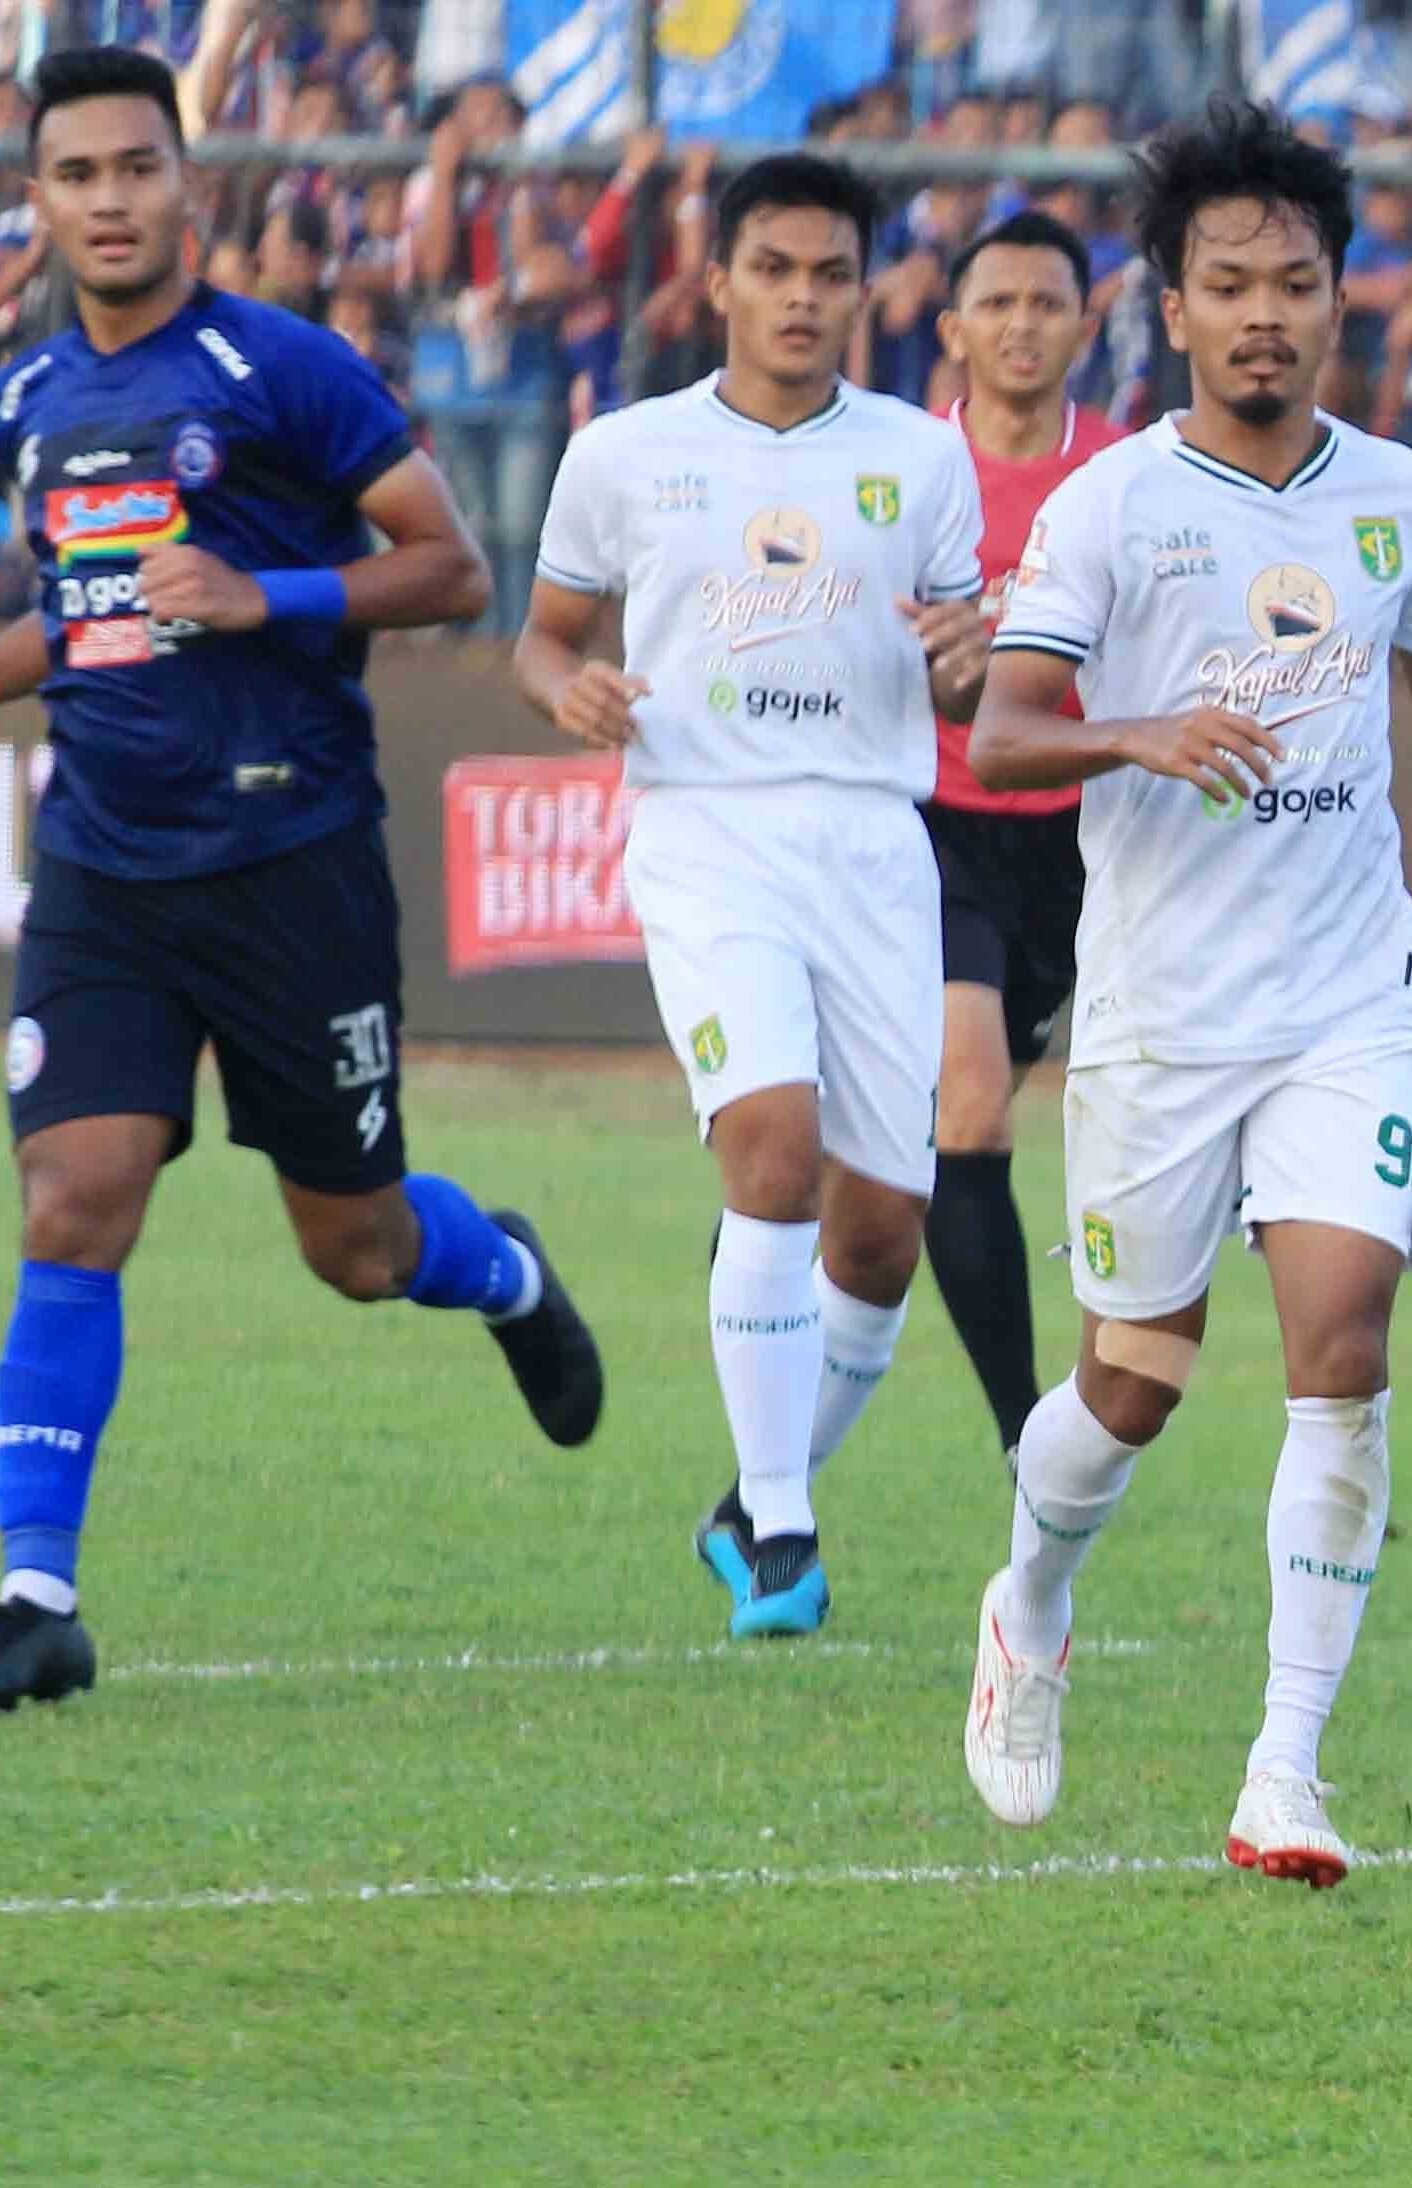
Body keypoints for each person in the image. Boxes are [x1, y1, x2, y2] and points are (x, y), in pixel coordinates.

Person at [961, 102, 1412, 1889]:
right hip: (1159, 1014)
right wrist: (1138, 730)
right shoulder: (1111, 506)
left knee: (1344, 1349)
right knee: (1133, 1382)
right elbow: (1003, 733)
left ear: (1338, 299)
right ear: (1173, 309)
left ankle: (1285, 1771)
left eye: (1294, 282)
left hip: (1343, 1000)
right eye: (1229, 285)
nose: (1264, 314)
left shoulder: (1402, 496)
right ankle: (1029, 1601)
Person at [0, 47, 597, 1709]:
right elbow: (81, 623)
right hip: (106, 862)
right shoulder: (32, 401)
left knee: (356, 1248)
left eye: (138, 168)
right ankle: (30, 1590)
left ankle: (506, 1268)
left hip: (291, 861)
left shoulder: (283, 367)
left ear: (188, 184)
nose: (111, 201)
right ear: (39, 201)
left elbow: (450, 567)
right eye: (77, 175)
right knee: (73, 1195)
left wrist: (270, 595)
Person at [516, 153, 989, 1639]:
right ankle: (784, 1531)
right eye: (773, 269)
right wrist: (567, 687)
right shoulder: (625, 454)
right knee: (772, 1151)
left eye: (830, 274)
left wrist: (967, 659)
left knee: (882, 1232)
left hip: (874, 843)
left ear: (865, 291)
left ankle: (751, 1494)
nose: (801, 298)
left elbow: (963, 669)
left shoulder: (921, 459)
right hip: (706, 829)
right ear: (716, 280)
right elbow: (543, 636)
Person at [918, 210, 1134, 1454]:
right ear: (954, 329)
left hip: (1091, 837)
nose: (1021, 326)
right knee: (973, 1112)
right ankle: (1025, 1438)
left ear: (1084, 326)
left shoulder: (1125, 475)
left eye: (1046, 303)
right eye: (996, 304)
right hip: (939, 825)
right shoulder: (906, 473)